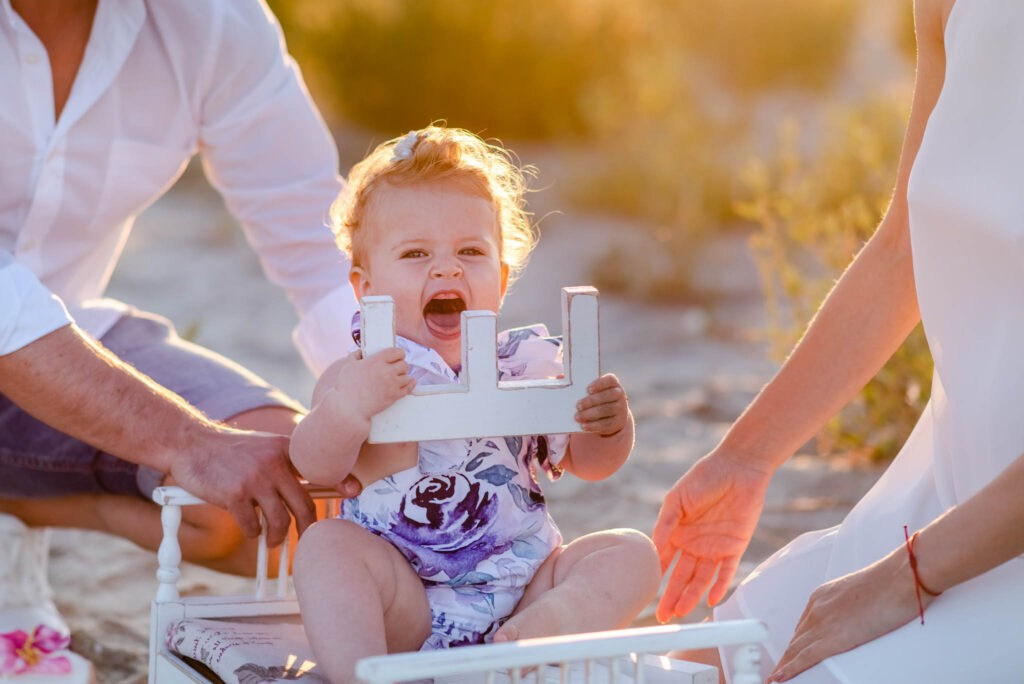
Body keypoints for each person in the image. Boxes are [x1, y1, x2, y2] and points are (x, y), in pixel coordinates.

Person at [653, 1, 1024, 682]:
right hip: (946, 499)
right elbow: (902, 249)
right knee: (704, 662)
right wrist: (747, 456)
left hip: (990, 552)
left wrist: (905, 579)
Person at [288, 126, 661, 682]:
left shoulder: (527, 366)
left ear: (502, 279)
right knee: (326, 546)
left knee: (632, 553)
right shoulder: (355, 377)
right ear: (364, 288)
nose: (447, 269)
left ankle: (542, 632)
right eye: (416, 253)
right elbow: (313, 464)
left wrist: (608, 426)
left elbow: (592, 464)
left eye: (471, 251)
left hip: (525, 585)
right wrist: (348, 409)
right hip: (407, 602)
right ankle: (359, 674)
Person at [1, 0, 362, 570]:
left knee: (298, 506)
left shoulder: (213, 21)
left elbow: (313, 236)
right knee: (217, 467)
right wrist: (185, 440)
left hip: (67, 348)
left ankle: (15, 513)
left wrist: (401, 403)